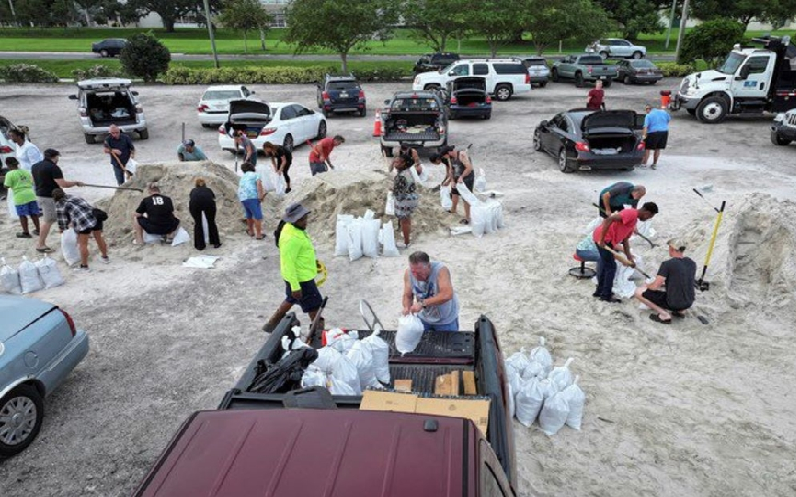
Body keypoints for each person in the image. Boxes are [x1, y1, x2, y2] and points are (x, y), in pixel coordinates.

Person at [262, 203, 324, 333]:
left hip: (298, 275)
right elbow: (287, 264)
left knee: (291, 298)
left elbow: (300, 254)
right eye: (302, 219)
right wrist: (295, 286)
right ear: (294, 220)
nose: (305, 221)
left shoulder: (292, 228)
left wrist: (312, 263)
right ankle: (317, 335)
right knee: (315, 307)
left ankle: (272, 323)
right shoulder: (292, 239)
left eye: (305, 218)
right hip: (301, 279)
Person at [593, 202, 659, 303]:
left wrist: (630, 258)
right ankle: (605, 296)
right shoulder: (631, 213)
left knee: (607, 265)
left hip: (607, 240)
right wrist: (602, 239)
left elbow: (625, 241)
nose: (647, 219)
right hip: (604, 239)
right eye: (649, 216)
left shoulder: (633, 222)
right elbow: (610, 218)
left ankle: (599, 291)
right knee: (611, 267)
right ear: (646, 212)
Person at [32, 149, 84, 253]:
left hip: (42, 194)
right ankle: (40, 244)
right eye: (57, 157)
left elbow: (33, 181)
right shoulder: (53, 168)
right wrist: (76, 183)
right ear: (54, 157)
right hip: (49, 197)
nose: (58, 159)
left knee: (66, 215)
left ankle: (75, 236)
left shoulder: (35, 166)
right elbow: (63, 184)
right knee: (49, 220)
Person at [634, 238, 697, 324]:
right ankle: (680, 311)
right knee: (679, 290)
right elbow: (681, 280)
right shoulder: (691, 263)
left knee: (638, 291)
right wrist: (663, 284)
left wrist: (647, 285)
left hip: (674, 304)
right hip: (689, 302)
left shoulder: (667, 264)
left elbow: (655, 287)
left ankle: (664, 315)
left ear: (671, 248)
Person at [402, 251, 461, 332]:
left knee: (448, 343)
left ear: (429, 266)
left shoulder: (441, 270)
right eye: (413, 272)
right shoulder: (408, 273)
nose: (416, 276)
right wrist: (407, 307)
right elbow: (407, 295)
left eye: (419, 272)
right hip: (424, 316)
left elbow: (447, 294)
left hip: (445, 319)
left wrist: (422, 303)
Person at [53, 188, 109, 270]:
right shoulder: (73, 196)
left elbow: (62, 222)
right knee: (99, 238)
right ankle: (105, 258)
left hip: (83, 222)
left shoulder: (59, 205)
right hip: (95, 216)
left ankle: (84, 266)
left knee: (83, 244)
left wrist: (63, 230)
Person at [432, 145, 474, 224]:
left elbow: (469, 168)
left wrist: (462, 177)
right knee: (454, 193)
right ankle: (453, 210)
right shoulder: (449, 158)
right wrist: (452, 181)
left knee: (466, 198)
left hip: (467, 177)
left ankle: (467, 218)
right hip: (456, 176)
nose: (444, 157)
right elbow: (451, 170)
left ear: (449, 153)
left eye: (445, 155)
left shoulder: (462, 155)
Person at [2, 157, 41, 238]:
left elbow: (6, 186)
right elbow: (31, 182)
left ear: (8, 165)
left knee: (22, 215)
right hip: (31, 194)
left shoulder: (9, 174)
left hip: (20, 196)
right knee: (34, 213)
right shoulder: (25, 171)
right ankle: (38, 230)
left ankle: (26, 233)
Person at [392, 153, 422, 248]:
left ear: (403, 163)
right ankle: (407, 239)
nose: (394, 164)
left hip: (405, 200)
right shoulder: (408, 171)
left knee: (404, 221)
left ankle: (406, 242)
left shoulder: (401, 176)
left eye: (397, 162)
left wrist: (392, 192)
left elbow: (399, 192)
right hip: (412, 198)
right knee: (407, 220)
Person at [189, 177, 221, 250]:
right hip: (209, 204)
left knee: (198, 223)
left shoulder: (193, 190)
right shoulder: (208, 190)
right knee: (211, 222)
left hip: (195, 204)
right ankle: (215, 242)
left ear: (196, 185)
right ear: (205, 184)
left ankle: (200, 245)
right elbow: (213, 197)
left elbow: (191, 197)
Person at [238, 162, 266, 240]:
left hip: (242, 197)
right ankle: (259, 235)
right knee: (257, 216)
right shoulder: (256, 175)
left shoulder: (243, 177)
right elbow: (259, 185)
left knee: (249, 213)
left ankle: (251, 231)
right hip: (252, 196)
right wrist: (260, 196)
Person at [642, 104, 671, 170]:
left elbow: (645, 127)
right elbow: (668, 120)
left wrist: (644, 136)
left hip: (653, 133)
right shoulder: (664, 112)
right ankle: (654, 164)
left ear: (648, 109)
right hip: (664, 132)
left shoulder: (648, 115)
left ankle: (644, 164)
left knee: (647, 149)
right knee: (658, 148)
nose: (646, 111)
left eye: (646, 110)